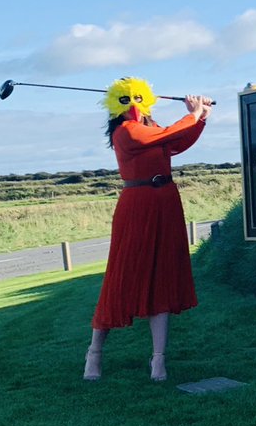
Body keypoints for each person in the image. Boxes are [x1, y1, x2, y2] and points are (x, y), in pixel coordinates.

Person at [83, 78, 212, 382]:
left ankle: (158, 360)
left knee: (163, 276)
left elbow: (177, 142)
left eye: (139, 99)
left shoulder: (153, 128)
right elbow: (166, 135)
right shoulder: (125, 132)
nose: (134, 105)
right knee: (122, 275)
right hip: (137, 205)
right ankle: (95, 353)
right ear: (117, 104)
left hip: (165, 201)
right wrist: (191, 115)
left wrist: (200, 118)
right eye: (127, 100)